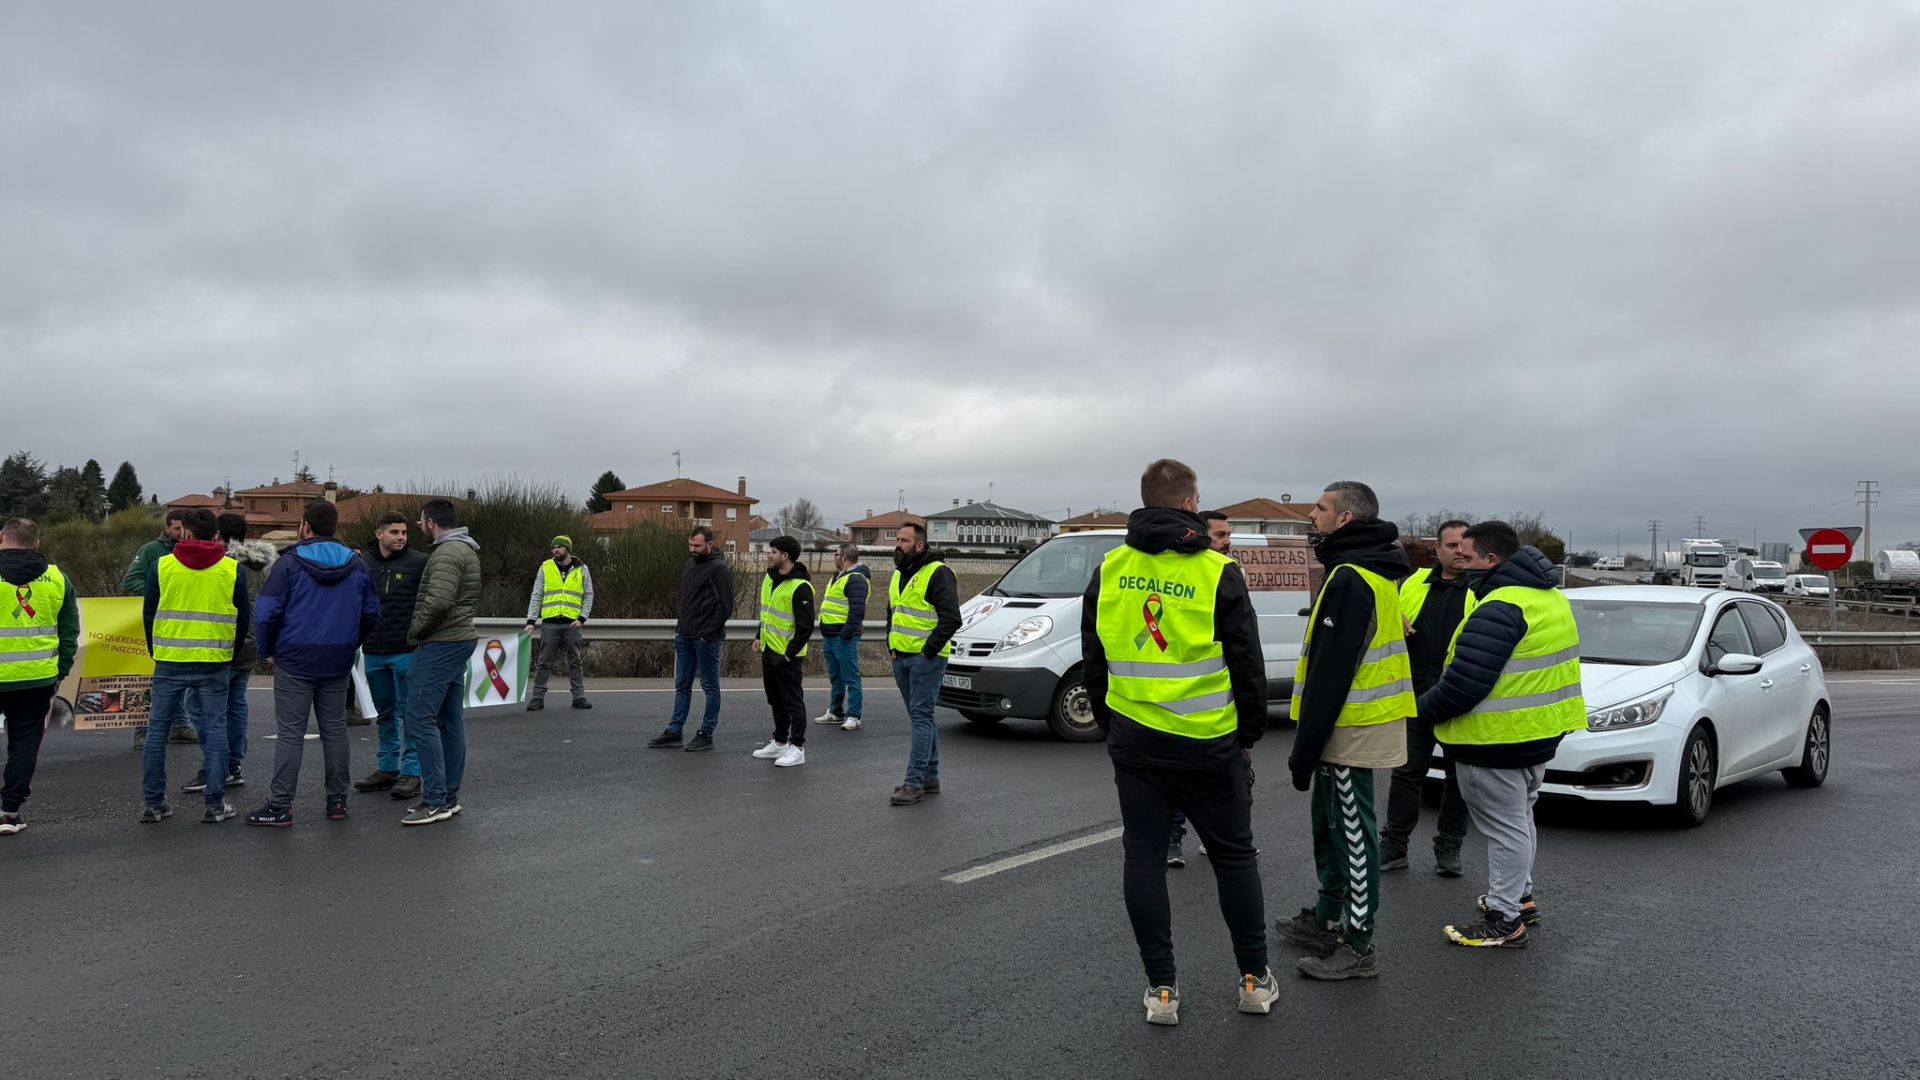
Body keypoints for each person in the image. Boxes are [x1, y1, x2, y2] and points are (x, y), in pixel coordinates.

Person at [1082, 460, 1274, 1025]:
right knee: (1235, 858)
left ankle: (1161, 990)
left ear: (1146, 501)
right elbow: (1247, 662)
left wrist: (1107, 723)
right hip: (1209, 744)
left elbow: (1095, 654)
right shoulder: (1218, 570)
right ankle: (1253, 982)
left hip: (1136, 741)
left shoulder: (1112, 566)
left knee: (1142, 857)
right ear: (1191, 502)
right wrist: (1250, 733)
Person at [1418, 521, 1586, 949]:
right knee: (1520, 819)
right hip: (1537, 734)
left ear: (1492, 560)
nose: (1463, 563)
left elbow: (1464, 684)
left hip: (1492, 740)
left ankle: (1504, 918)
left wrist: (1418, 713)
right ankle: (1521, 898)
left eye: (1469, 557)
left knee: (1505, 829)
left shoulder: (1501, 607)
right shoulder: (1548, 598)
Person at [1277, 480, 1413, 982]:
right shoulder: (1366, 571)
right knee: (1331, 824)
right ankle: (1327, 917)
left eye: (1321, 508)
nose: (1312, 515)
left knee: (1353, 833)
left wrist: (1304, 749)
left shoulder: (1351, 578)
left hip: (1354, 726)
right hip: (1354, 723)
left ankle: (1358, 945)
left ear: (1345, 519)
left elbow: (1332, 673)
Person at [244, 501, 379, 827]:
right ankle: (337, 802)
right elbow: (372, 612)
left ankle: (280, 806)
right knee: (334, 729)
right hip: (337, 656)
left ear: (305, 526)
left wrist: (267, 649)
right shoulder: (358, 566)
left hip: (294, 656)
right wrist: (352, 642)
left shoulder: (288, 564)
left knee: (291, 733)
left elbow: (265, 612)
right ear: (335, 528)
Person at [140, 508, 249, 824]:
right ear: (216, 535)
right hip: (213, 661)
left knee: (158, 731)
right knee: (216, 729)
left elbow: (149, 613)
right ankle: (215, 805)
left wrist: (156, 649)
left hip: (170, 658)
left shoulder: (162, 566)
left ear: (184, 533)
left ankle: (153, 803)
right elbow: (243, 618)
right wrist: (230, 651)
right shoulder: (231, 569)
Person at [1381, 519, 1476, 877]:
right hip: (1416, 694)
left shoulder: (1482, 588)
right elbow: (1386, 616)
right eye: (1451, 545)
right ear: (1437, 549)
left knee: (1458, 778)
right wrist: (1394, 615)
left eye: (1465, 546)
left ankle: (1449, 847)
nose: (1459, 552)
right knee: (1406, 774)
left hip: (1460, 699)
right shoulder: (1414, 583)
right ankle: (1394, 844)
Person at [400, 498, 481, 826]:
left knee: (419, 717)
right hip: (457, 639)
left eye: (420, 521)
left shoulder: (447, 553)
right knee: (449, 719)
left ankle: (435, 801)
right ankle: (448, 797)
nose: (419, 526)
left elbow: (439, 601)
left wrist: (415, 629)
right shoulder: (465, 549)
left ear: (431, 522)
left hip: (440, 642)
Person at [0, 519, 80, 835]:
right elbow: (70, 630)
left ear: (1, 537)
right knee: (25, 744)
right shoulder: (58, 578)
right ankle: (8, 812)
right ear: (37, 543)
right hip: (38, 677)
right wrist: (61, 670)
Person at [188, 512, 274, 797]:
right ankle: (234, 765)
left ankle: (216, 766)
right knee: (236, 704)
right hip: (252, 643)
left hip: (225, 643)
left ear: (218, 536)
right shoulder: (262, 564)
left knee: (200, 705)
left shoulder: (223, 565)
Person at [1168, 509, 1234, 869]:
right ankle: (1173, 839)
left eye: (1229, 535)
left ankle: (1218, 840)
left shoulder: (1227, 573)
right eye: (1221, 535)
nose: (1228, 542)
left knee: (1230, 781)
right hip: (1186, 703)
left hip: (1223, 705)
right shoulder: (1195, 577)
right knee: (1181, 780)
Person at [355, 511, 429, 801]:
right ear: (379, 534)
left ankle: (412, 771)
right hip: (374, 650)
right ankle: (387, 767)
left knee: (411, 712)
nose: (401, 537)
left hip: (407, 650)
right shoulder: (363, 563)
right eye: (394, 532)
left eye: (404, 532)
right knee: (385, 712)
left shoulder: (419, 562)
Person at [886, 521, 960, 806]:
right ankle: (929, 777)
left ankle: (914, 783)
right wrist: (890, 644)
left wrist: (928, 651)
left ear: (919, 545)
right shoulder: (898, 574)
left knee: (921, 717)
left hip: (925, 660)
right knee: (922, 718)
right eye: (898, 540)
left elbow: (952, 618)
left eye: (903, 540)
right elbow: (893, 612)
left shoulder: (938, 573)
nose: (898, 545)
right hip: (901, 657)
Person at [648, 526, 733, 752]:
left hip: (706, 640)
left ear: (709, 544)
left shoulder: (718, 569)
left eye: (697, 545)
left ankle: (706, 733)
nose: (693, 549)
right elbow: (687, 601)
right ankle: (675, 731)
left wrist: (708, 634)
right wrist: (680, 629)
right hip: (685, 636)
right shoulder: (690, 564)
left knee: (710, 687)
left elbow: (726, 606)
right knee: (682, 686)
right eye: (690, 545)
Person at [124, 507, 197, 746]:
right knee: (149, 680)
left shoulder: (193, 551)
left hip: (181, 627)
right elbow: (131, 581)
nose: (181, 533)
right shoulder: (150, 551)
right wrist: (159, 595)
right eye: (177, 529)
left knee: (175, 679)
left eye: (184, 529)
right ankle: (143, 730)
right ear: (167, 528)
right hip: (154, 623)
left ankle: (179, 725)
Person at [750, 536, 815, 768]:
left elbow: (805, 626)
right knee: (775, 699)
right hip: (769, 651)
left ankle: (797, 747)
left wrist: (789, 653)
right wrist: (759, 636)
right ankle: (779, 741)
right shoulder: (770, 579)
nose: (770, 555)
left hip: (788, 656)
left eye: (774, 551)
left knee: (793, 701)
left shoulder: (801, 586)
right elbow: (766, 613)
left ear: (785, 556)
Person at [523, 534, 594, 712]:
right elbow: (537, 594)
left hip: (572, 624)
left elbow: (588, 594)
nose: (555, 550)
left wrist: (582, 618)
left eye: (559, 547)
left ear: (567, 549)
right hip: (550, 623)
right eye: (553, 548)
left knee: (575, 661)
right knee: (544, 662)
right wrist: (531, 620)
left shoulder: (581, 569)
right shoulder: (545, 568)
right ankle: (538, 698)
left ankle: (578, 696)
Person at [815, 542, 870, 731]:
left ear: (844, 557)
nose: (834, 557)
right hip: (830, 636)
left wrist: (845, 636)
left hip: (843, 638)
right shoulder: (838, 577)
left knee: (850, 677)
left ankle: (854, 715)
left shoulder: (856, 579)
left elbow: (857, 612)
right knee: (836, 677)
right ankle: (836, 711)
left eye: (836, 554)